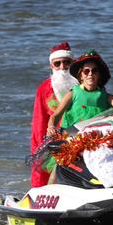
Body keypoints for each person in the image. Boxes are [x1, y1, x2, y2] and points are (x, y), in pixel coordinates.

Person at [47, 49, 113, 136]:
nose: (90, 74)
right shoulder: (72, 94)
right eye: (86, 71)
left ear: (99, 75)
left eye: (94, 71)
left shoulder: (107, 97)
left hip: (98, 136)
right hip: (72, 136)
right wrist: (51, 126)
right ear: (81, 76)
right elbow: (56, 116)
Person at [30, 41, 79, 187]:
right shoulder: (44, 89)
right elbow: (39, 121)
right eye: (57, 64)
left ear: (73, 63)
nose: (63, 67)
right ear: (51, 66)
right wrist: (38, 149)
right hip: (55, 140)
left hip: (81, 137)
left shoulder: (84, 86)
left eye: (66, 62)